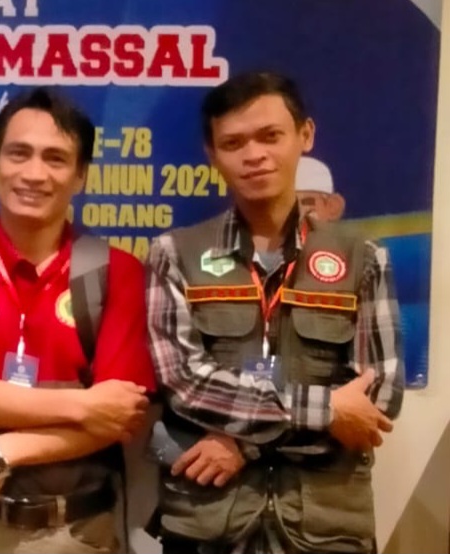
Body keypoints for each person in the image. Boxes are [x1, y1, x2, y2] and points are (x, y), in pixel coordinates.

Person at [146, 72, 403, 554]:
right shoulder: (174, 254)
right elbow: (185, 384)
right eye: (234, 142)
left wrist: (245, 443)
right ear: (212, 154)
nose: (254, 155)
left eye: (270, 136)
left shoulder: (364, 258)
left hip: (324, 528)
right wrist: (327, 410)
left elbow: (378, 398)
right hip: (208, 523)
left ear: (305, 135)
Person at [0, 87, 154, 554]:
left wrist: (2, 452)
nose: (34, 173)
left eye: (55, 158)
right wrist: (83, 405)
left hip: (79, 530)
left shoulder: (117, 272)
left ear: (80, 176)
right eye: (18, 153)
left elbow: (117, 416)